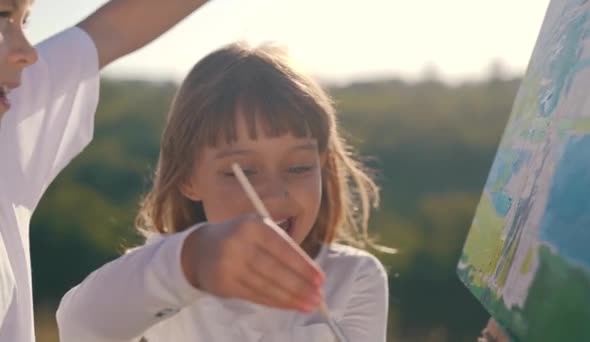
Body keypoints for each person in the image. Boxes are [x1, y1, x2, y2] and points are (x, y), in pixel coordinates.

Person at [56, 42, 390, 341]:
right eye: (243, 172)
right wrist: (191, 265)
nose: (274, 195)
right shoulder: (170, 268)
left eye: (299, 167)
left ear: (323, 166)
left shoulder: (354, 277)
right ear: (188, 177)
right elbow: (79, 326)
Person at [0, 0, 214, 340]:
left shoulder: (9, 117)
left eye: (24, 22)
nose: (27, 52)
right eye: (1, 17)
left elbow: (115, 29)